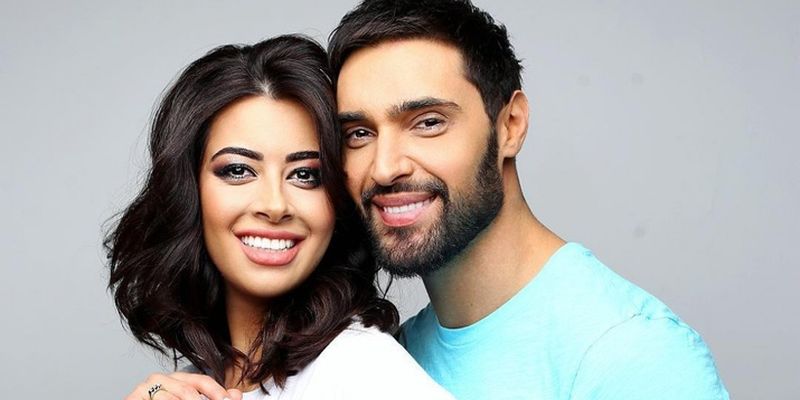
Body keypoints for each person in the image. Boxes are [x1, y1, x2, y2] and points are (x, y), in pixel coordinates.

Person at [327, 0, 730, 399]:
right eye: (359, 134)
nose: (384, 168)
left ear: (510, 126)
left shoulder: (632, 355)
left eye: (428, 123)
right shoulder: (388, 359)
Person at [105, 35, 453, 400]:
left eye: (305, 175)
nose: (274, 205)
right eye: (239, 170)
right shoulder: (195, 384)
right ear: (189, 190)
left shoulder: (362, 371)